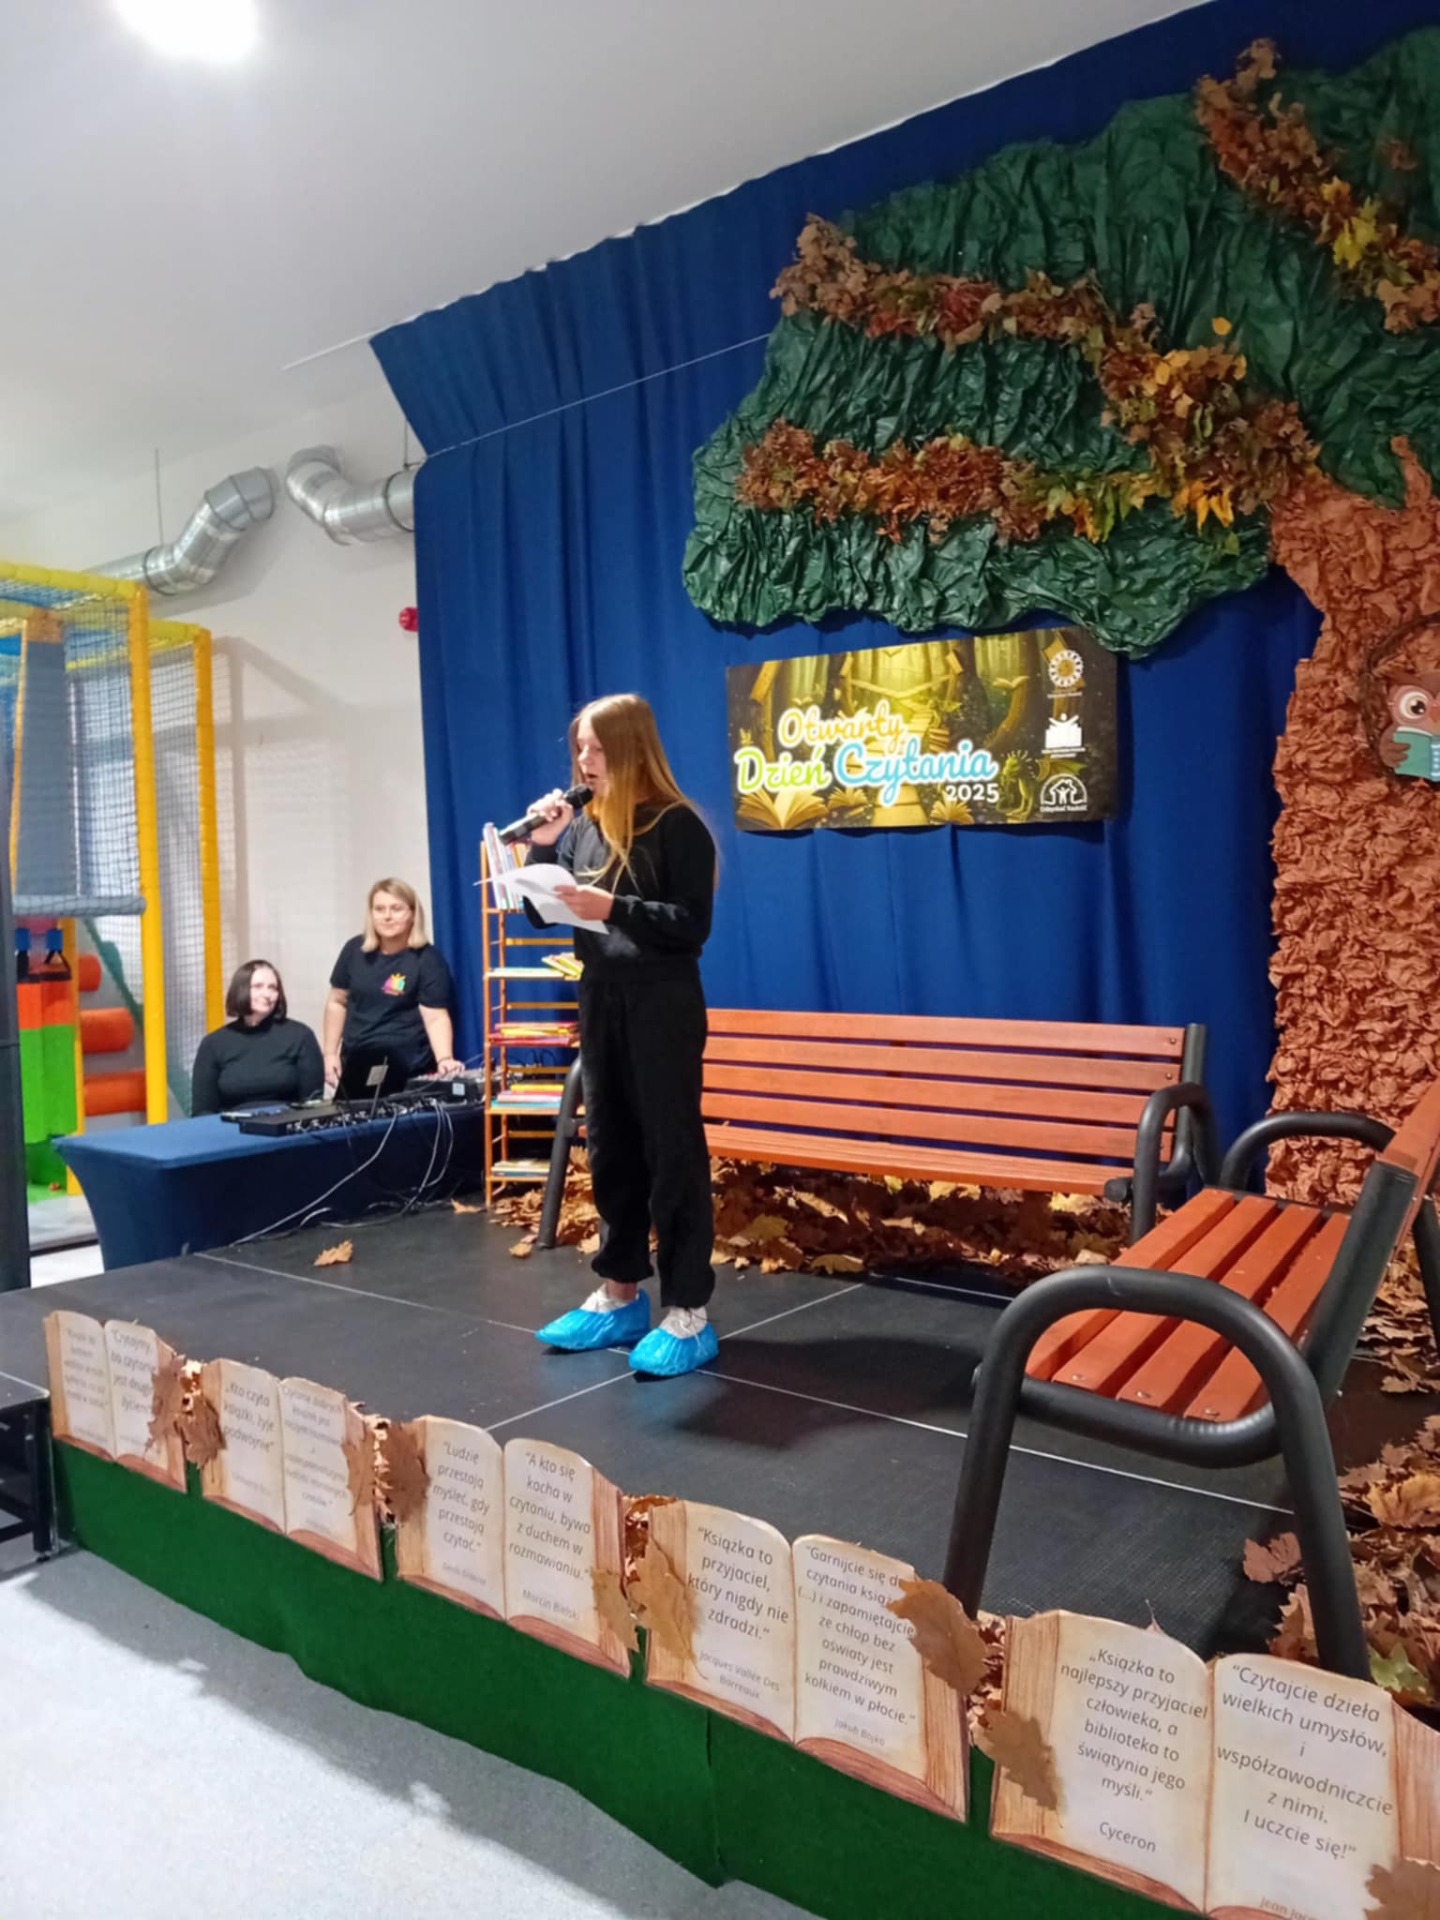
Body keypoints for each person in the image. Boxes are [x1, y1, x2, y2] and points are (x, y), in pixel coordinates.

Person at [523, 692, 718, 1379]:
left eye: (597, 748)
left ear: (631, 749)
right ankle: (620, 1292)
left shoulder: (677, 824)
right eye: (579, 747)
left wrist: (615, 906)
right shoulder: (583, 827)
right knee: (610, 1146)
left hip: (662, 1002)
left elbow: (690, 924)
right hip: (600, 996)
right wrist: (541, 849)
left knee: (671, 1151)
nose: (584, 760)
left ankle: (688, 1308)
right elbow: (546, 911)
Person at [323, 879, 462, 1091]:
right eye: (379, 909)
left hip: (409, 1069)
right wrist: (330, 1054)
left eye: (396, 909)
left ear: (413, 914)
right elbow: (337, 1002)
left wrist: (445, 1058)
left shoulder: (428, 959)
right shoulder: (353, 950)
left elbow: (435, 1017)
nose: (387, 916)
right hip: (357, 1065)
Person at [191, 960, 324, 1115]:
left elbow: (313, 1104)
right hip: (233, 1126)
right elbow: (203, 1110)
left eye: (273, 988)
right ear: (240, 990)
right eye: (258, 986)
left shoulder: (301, 1036)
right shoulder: (213, 1044)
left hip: (286, 1124)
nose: (267, 994)